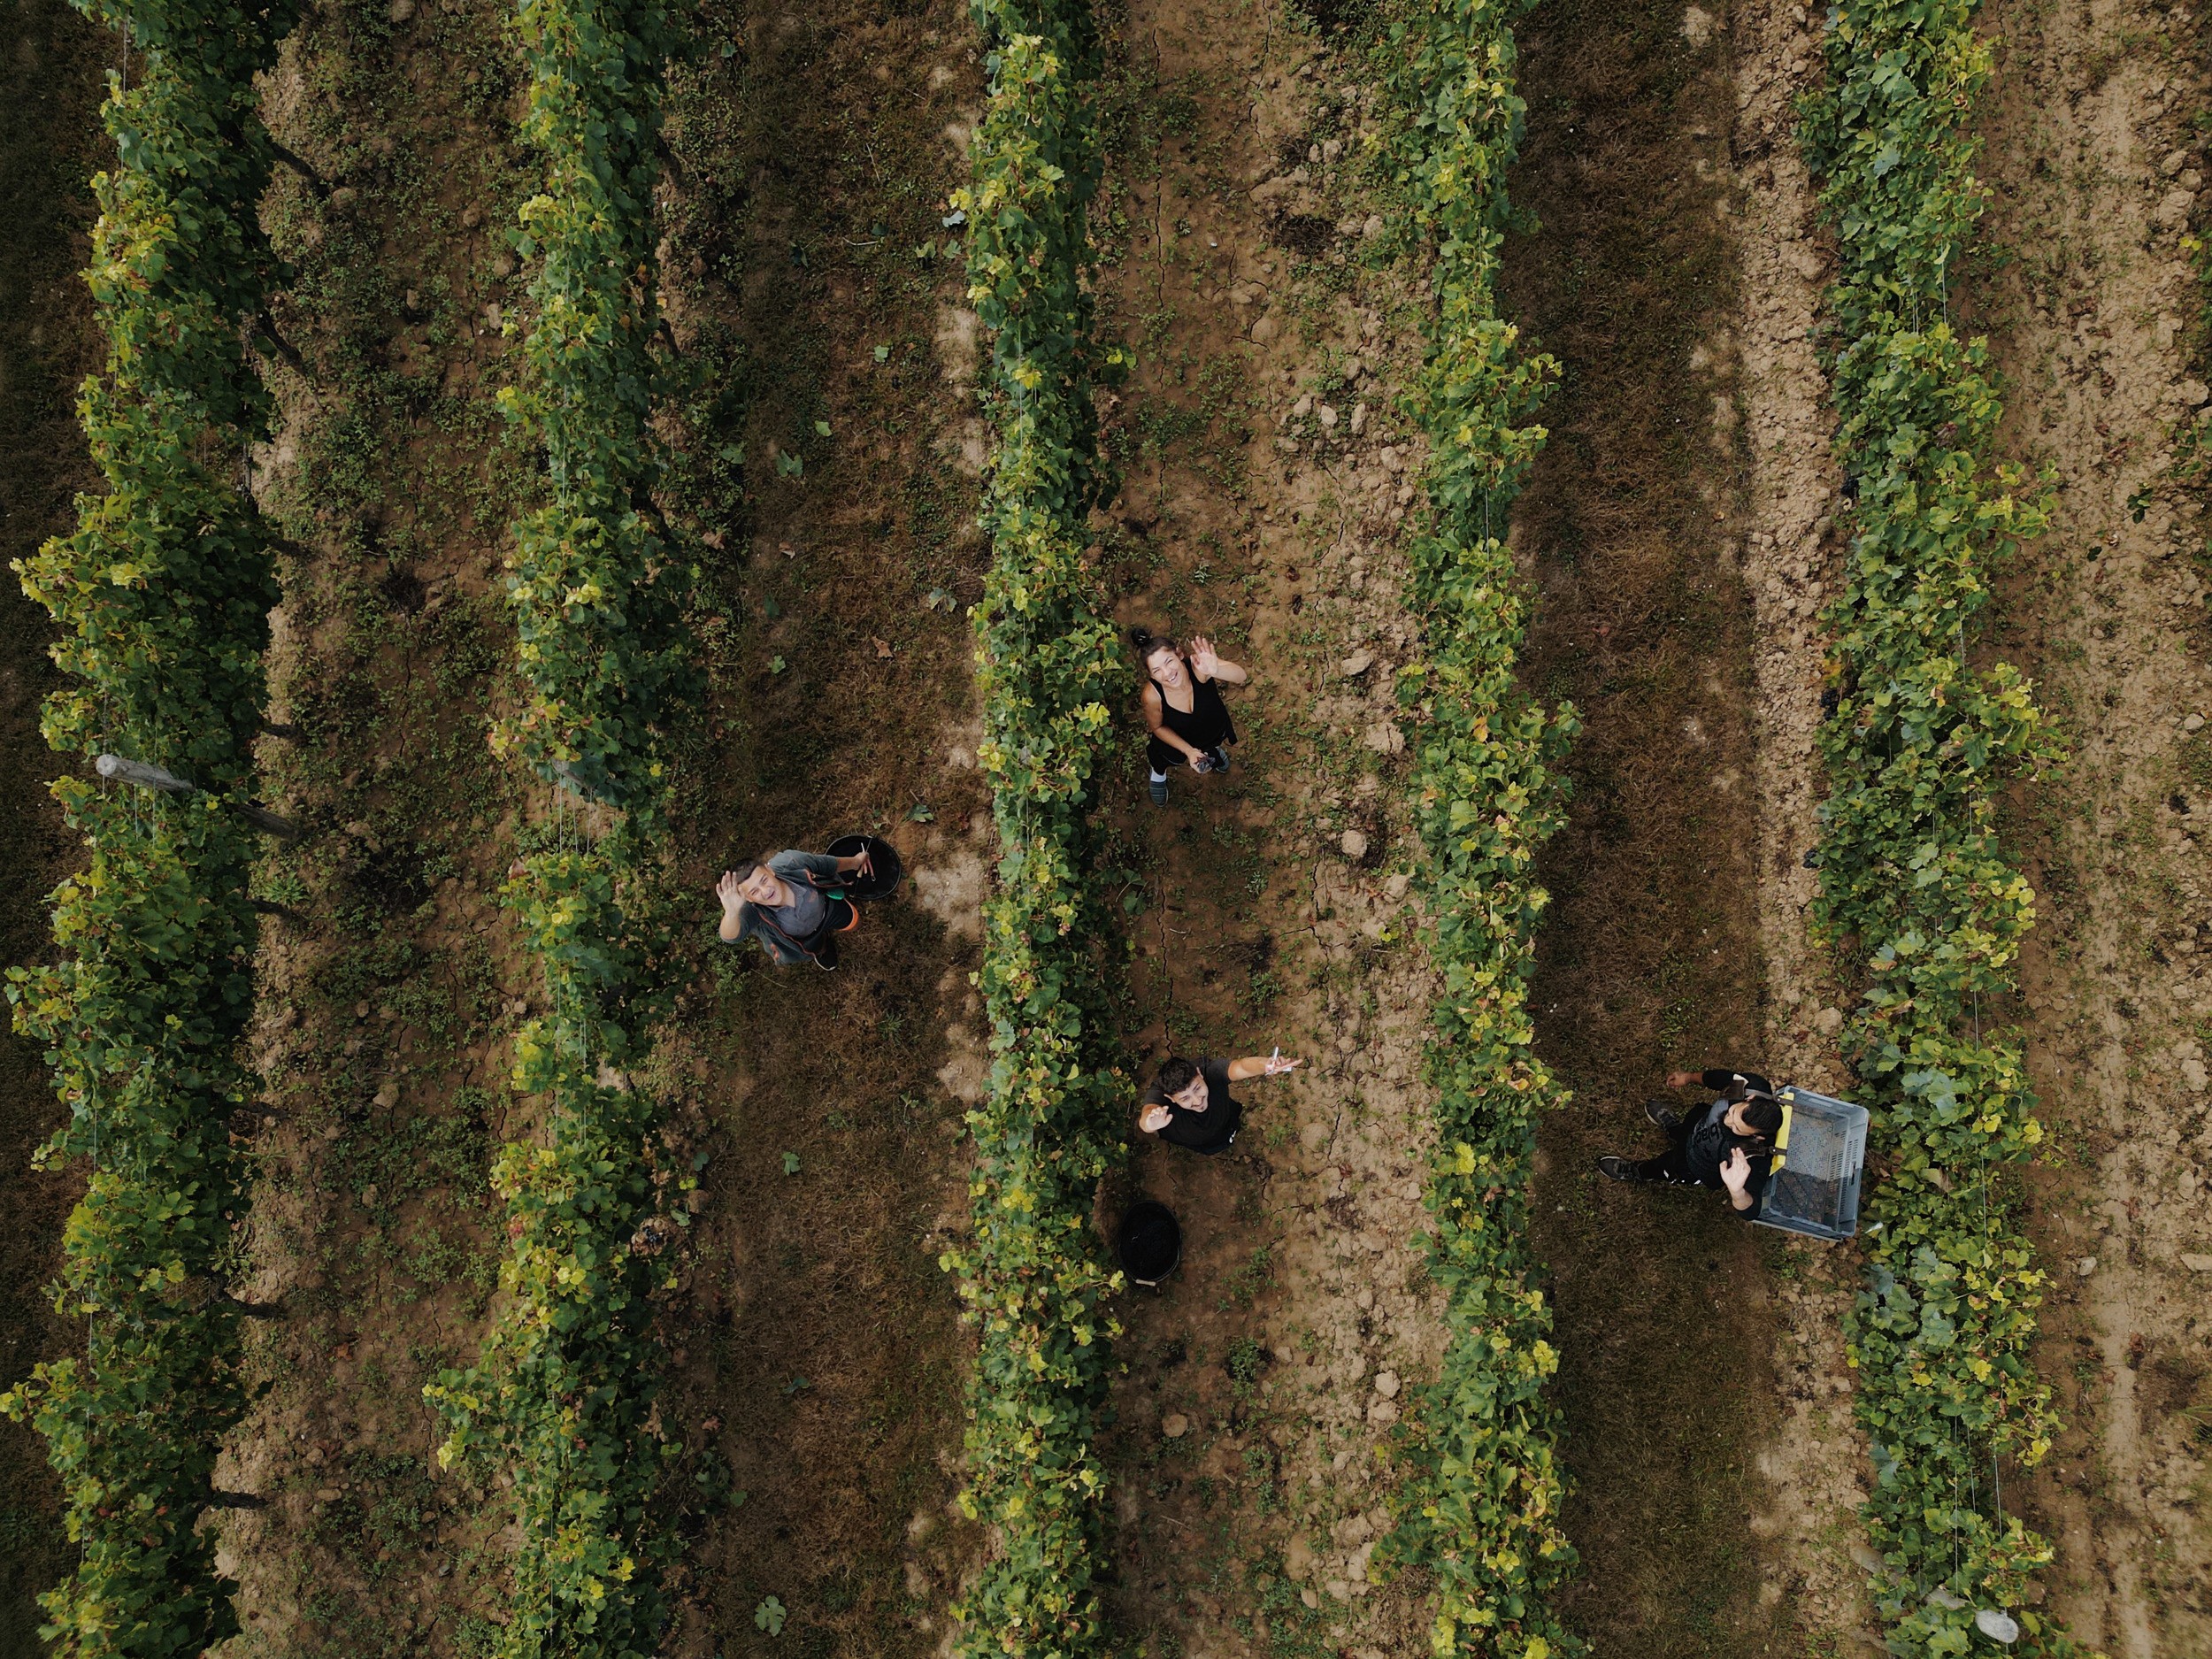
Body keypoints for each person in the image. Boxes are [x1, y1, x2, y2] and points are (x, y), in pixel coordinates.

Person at [1596, 1066, 1782, 1215]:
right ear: (1750, 1098)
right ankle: (1674, 1129)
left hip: (1693, 1165)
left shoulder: (1756, 1155)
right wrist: (1688, 1078)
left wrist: (1737, 1192)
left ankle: (1636, 1171)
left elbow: (1752, 1210)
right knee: (1685, 1131)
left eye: (1736, 1129)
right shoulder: (1748, 1086)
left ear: (1757, 1136)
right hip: (1697, 1125)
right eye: (1733, 1112)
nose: (1727, 1120)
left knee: (1663, 1166)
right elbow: (1719, 1078)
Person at [1133, 627, 1248, 805]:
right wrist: (1189, 750)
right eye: (1157, 670)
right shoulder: (1152, 696)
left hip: (1210, 729)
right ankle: (1159, 773)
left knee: (1212, 746)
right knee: (1162, 759)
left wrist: (1216, 670)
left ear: (1179, 654)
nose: (1167, 673)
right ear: (1151, 675)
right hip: (1177, 740)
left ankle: (1212, 751)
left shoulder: (1199, 668)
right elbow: (1157, 727)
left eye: (1169, 661)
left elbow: (1241, 676)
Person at [716, 845, 877, 970]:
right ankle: (822, 950)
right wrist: (731, 913)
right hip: (805, 940)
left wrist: (856, 862)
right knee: (818, 947)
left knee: (853, 921)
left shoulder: (792, 861)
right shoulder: (752, 911)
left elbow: (827, 865)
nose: (766, 892)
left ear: (770, 870)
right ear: (748, 898)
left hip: (828, 910)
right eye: (754, 891)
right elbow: (731, 937)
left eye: (764, 880)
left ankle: (843, 926)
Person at [1138, 1049, 1302, 1155]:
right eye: (1185, 1098)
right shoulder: (1160, 1093)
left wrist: (1265, 1065)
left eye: (1197, 1088)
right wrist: (1151, 1124)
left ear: (1199, 1075)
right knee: (1211, 1147)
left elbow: (1241, 1067)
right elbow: (1147, 1115)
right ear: (1170, 1099)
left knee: (1230, 1127)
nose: (1197, 1101)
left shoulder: (1209, 1071)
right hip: (1202, 1142)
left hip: (1226, 1117)